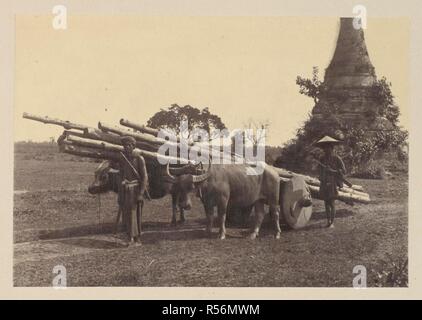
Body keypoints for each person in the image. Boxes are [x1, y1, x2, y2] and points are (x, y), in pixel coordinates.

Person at [118, 135, 148, 245]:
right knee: (127, 214)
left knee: (135, 213)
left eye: (129, 145)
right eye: (125, 145)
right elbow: (121, 175)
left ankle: (136, 238)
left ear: (133, 146)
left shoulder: (139, 158)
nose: (127, 147)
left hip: (135, 190)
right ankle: (129, 236)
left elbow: (144, 177)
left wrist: (141, 193)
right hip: (126, 189)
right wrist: (120, 191)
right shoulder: (123, 159)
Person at [315, 135, 346, 228]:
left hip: (332, 182)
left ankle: (332, 222)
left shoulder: (337, 158)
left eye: (327, 148)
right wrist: (320, 175)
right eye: (324, 148)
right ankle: (328, 221)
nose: (325, 150)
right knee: (326, 202)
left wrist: (333, 171)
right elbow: (319, 170)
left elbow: (344, 171)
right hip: (324, 182)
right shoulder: (322, 159)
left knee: (331, 203)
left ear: (331, 148)